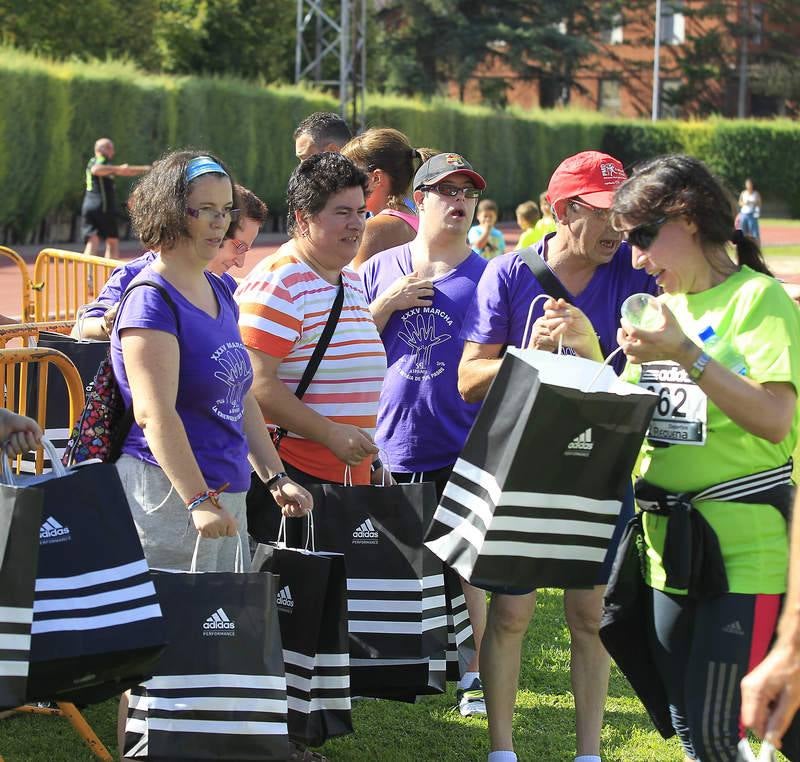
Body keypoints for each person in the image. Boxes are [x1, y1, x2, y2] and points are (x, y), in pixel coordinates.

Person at [457, 150, 656, 762]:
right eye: (603, 214)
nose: (618, 229)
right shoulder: (508, 273)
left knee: (589, 615)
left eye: (623, 214)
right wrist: (526, 352)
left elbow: (648, 382)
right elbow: (469, 379)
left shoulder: (637, 272)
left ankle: (589, 753)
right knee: (511, 616)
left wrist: (593, 349)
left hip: (601, 465)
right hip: (523, 463)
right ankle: (501, 750)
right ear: (561, 210)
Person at [608, 154, 800, 761]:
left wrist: (685, 352)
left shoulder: (759, 300)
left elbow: (774, 421)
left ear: (687, 218)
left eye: (643, 237)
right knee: (689, 723)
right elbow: (645, 424)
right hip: (667, 552)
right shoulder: (664, 308)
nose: (637, 259)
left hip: (746, 554)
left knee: (721, 728)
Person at [111, 151, 312, 573]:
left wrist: (275, 477)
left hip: (225, 497)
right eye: (205, 210)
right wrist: (197, 498)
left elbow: (240, 396)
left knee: (221, 636)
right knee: (176, 635)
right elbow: (153, 414)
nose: (220, 222)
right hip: (170, 500)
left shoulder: (219, 290)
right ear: (169, 211)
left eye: (225, 210)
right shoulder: (152, 299)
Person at [360, 152, 490, 717]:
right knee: (387, 558)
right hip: (389, 438)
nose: (459, 201)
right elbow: (348, 347)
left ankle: (477, 675)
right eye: (447, 191)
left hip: (462, 441)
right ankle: (388, 662)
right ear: (420, 199)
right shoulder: (379, 266)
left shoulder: (488, 277)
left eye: (468, 193)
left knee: (469, 568)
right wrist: (385, 305)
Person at [237, 152, 389, 496]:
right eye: (342, 212)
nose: (357, 223)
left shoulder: (349, 280)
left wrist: (374, 465)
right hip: (295, 483)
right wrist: (329, 434)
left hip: (346, 480)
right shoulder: (281, 282)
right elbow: (253, 384)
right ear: (303, 219)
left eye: (361, 212)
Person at [73, 185, 268, 340]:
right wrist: (107, 322)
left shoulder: (226, 286)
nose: (241, 263)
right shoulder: (136, 275)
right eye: (238, 247)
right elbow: (81, 330)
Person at [340, 127, 431, 269]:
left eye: (349, 175)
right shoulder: (417, 221)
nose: (342, 183)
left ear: (376, 178)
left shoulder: (372, 230)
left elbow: (358, 291)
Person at [81, 138, 150, 259]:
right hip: (102, 206)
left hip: (88, 206)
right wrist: (118, 168)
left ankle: (89, 277)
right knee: (112, 241)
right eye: (110, 148)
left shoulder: (94, 161)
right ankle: (112, 275)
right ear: (103, 149)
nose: (113, 152)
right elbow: (96, 170)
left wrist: (145, 169)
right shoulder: (101, 160)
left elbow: (125, 172)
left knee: (93, 240)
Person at [738, 177, 762, 244]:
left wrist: (755, 205)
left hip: (752, 215)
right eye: (747, 184)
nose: (748, 185)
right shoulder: (743, 193)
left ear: (752, 185)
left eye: (750, 184)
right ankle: (743, 246)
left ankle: (756, 246)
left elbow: (759, 203)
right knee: (742, 232)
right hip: (744, 214)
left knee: (754, 233)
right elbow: (740, 202)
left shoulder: (756, 194)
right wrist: (745, 203)